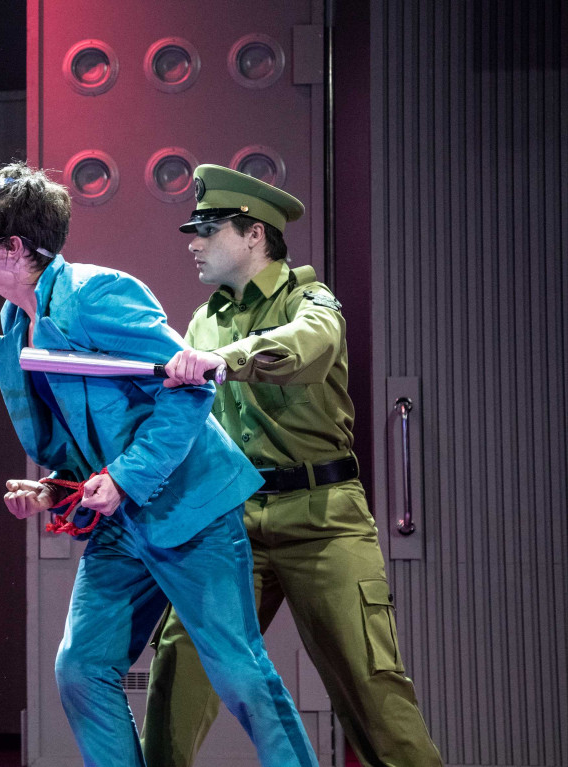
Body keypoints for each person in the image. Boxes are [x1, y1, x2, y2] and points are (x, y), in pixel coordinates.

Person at [0, 163, 317, 767]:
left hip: (188, 507)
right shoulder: (15, 320)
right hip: (122, 522)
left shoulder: (97, 294)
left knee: (239, 674)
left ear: (13, 248)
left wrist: (125, 478)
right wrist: (55, 489)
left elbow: (188, 389)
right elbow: (86, 432)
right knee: (81, 667)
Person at [142, 164, 443, 767]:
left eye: (207, 230)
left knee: (372, 689)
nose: (193, 243)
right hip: (234, 522)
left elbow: (308, 346)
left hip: (322, 520)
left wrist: (224, 360)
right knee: (179, 665)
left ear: (254, 233)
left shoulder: (311, 301)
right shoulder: (205, 320)